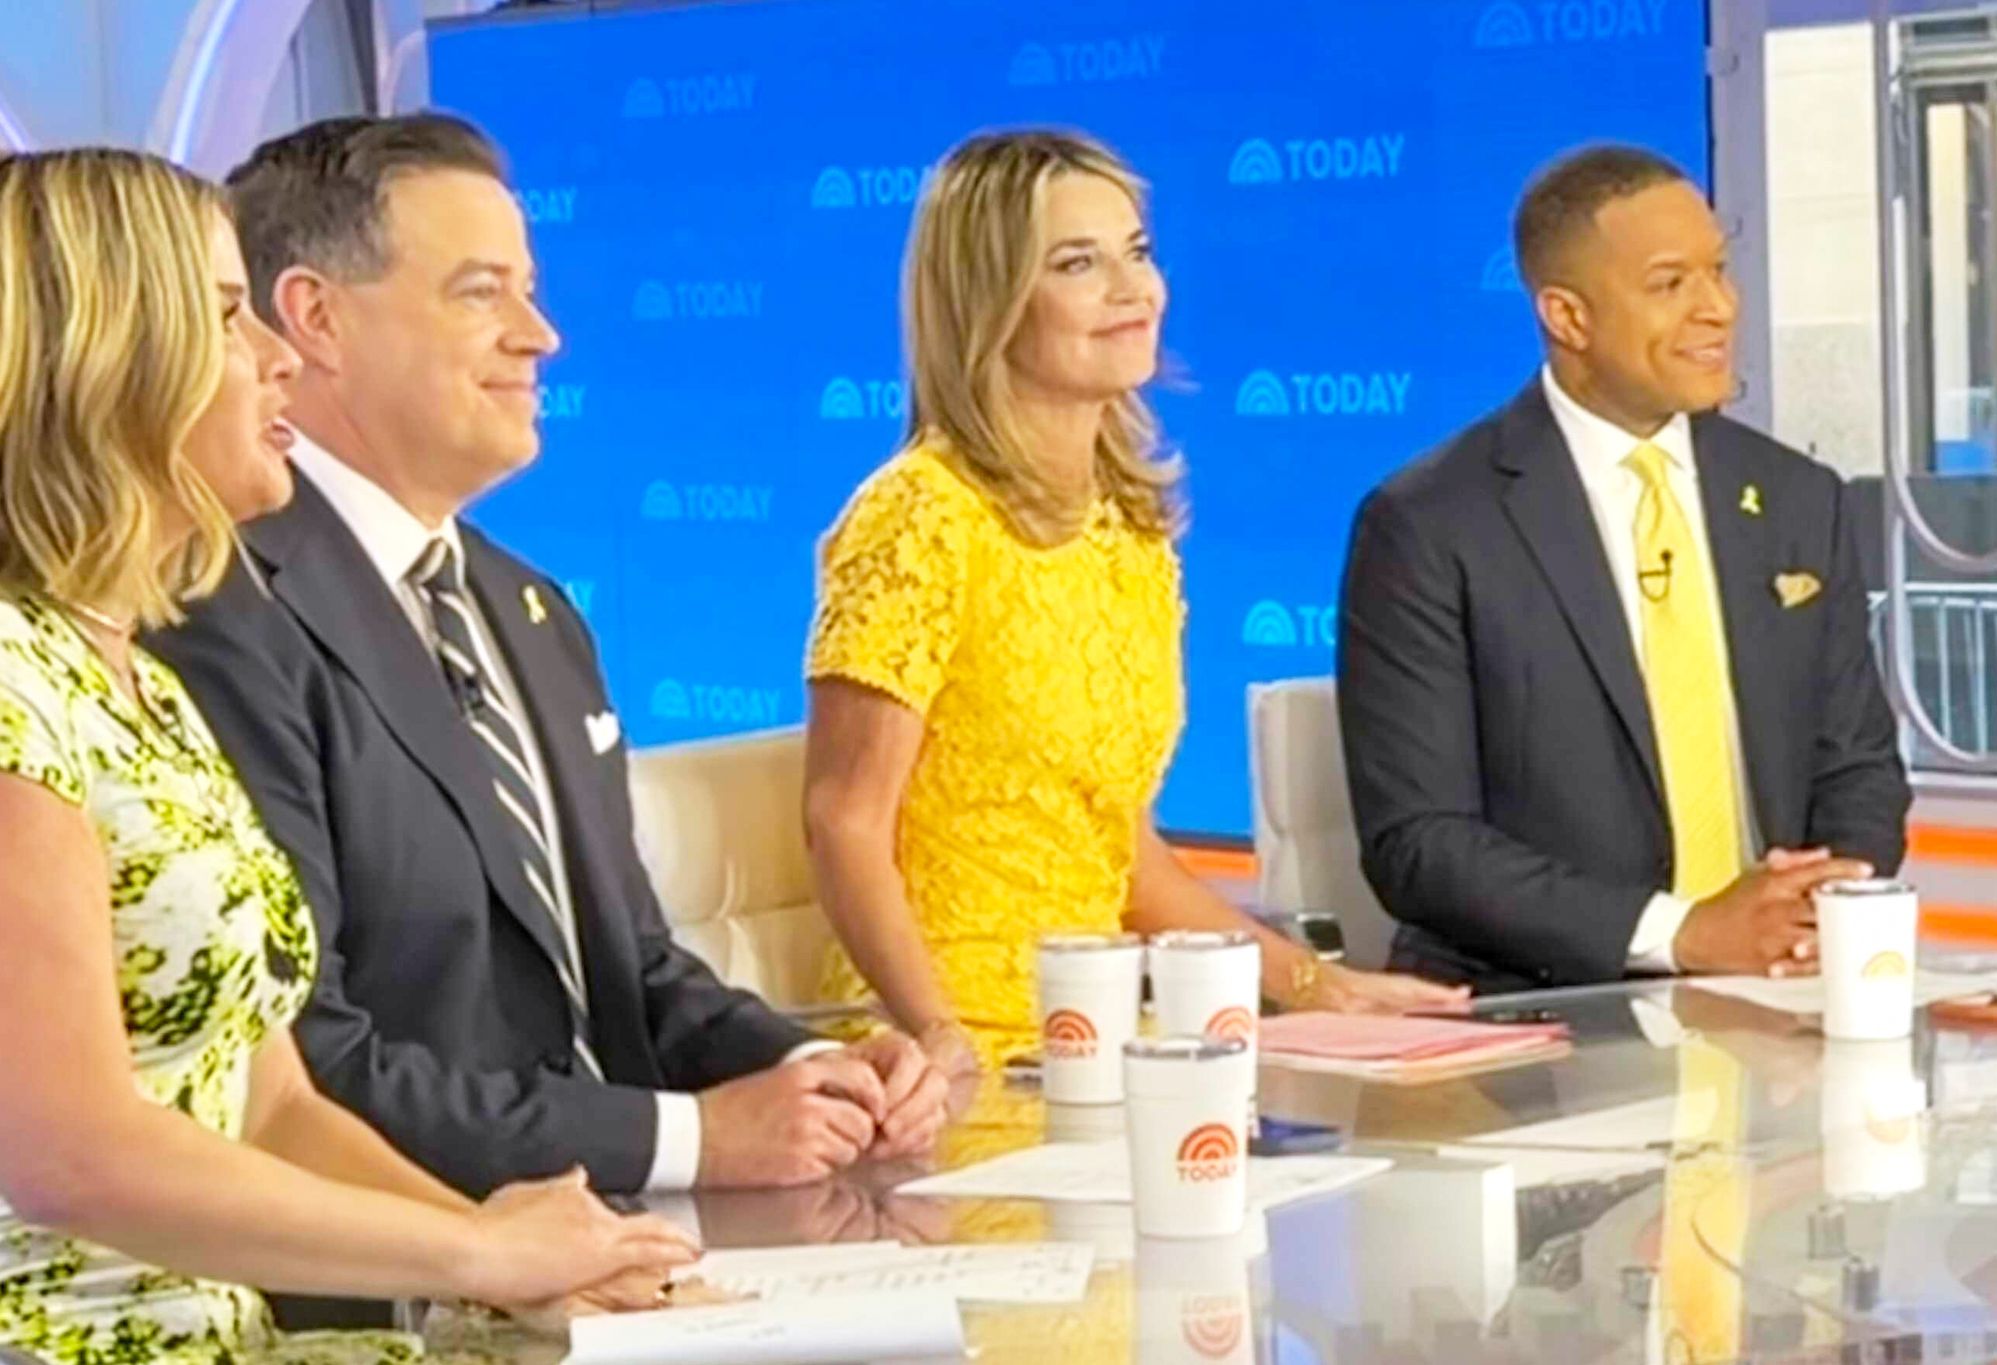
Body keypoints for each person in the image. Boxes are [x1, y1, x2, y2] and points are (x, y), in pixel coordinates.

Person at [150, 114, 947, 1201]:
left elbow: (634, 967)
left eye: (527, 290)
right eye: (481, 293)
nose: (540, 335)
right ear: (316, 319)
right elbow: (308, 1059)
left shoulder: (527, 606)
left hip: (628, 1240)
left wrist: (810, 1071)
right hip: (417, 1267)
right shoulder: (213, 611)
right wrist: (690, 1143)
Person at [0, 148, 694, 1365]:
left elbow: (270, 1107)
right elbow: (68, 1153)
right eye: (223, 317)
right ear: (99, 364)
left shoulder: (140, 680)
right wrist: (476, 1256)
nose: (273, 352)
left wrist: (518, 1262)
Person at [802, 129, 1467, 1075]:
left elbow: (1122, 852)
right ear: (988, 301)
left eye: (1138, 253)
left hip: (1100, 1032)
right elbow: (844, 821)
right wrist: (939, 1038)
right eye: (1079, 263)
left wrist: (1320, 985)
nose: (1134, 290)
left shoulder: (1130, 530)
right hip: (952, 1047)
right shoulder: (917, 517)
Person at [1337, 144, 1910, 995]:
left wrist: (1810, 914)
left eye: (1719, 270)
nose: (1718, 307)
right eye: (1670, 284)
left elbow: (1857, 764)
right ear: (1568, 317)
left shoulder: (1798, 498)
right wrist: (1686, 932)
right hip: (1540, 1017)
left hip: (1782, 991)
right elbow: (1422, 842)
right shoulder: (1427, 523)